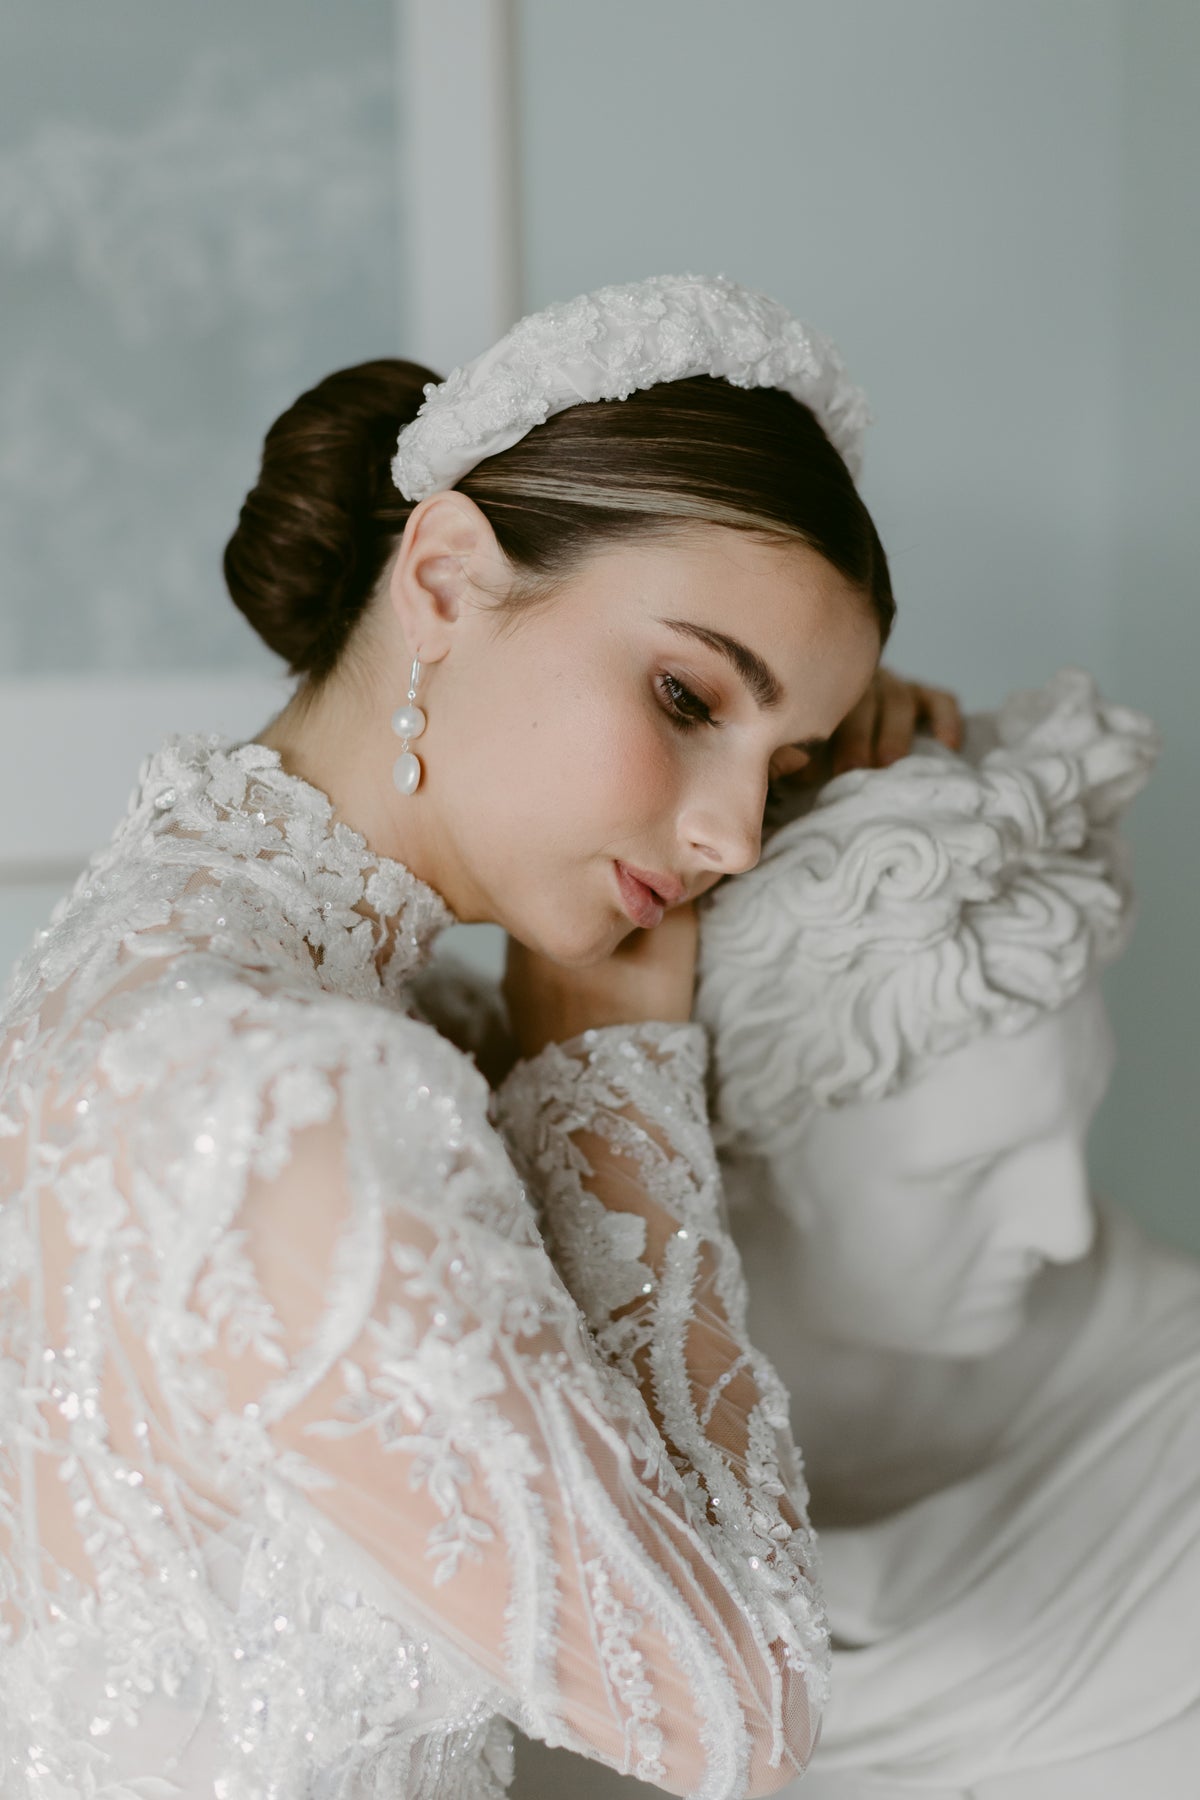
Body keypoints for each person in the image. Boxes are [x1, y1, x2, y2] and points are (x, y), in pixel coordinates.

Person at [0, 275, 959, 1800]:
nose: (731, 840)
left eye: (779, 769)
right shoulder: (297, 1101)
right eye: (686, 692)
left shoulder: (194, 967)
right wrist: (607, 1062)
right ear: (441, 577)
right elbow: (742, 1715)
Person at [694, 669, 1200, 1796]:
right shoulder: (531, 1382)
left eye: (1076, 1127)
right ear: (740, 1149)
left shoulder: (1175, 1428)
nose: (1065, 1231)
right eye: (966, 1174)